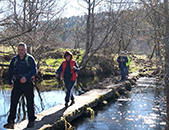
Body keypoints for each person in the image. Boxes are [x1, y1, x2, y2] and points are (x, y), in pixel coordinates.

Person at [3, 42, 37, 129]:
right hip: (17, 83)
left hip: (28, 83)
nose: (20, 52)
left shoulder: (30, 59)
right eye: (19, 50)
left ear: (25, 50)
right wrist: (10, 81)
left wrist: (26, 77)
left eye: (22, 50)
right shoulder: (14, 59)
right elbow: (10, 71)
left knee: (30, 103)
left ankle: (31, 120)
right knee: (13, 103)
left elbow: (34, 70)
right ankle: (11, 122)